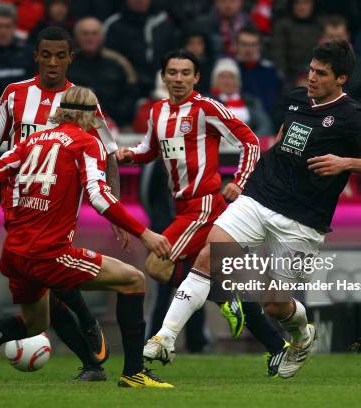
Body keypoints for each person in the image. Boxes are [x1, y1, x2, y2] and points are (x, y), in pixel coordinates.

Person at [143, 40, 361, 380]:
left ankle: (302, 337)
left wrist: (343, 162)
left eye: (321, 73)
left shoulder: (353, 117)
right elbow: (283, 137)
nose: (312, 78)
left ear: (341, 79)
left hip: (302, 220)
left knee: (275, 305)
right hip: (259, 197)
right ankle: (164, 338)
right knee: (208, 257)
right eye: (311, 70)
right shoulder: (294, 99)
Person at [0, 86, 173, 389]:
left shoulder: (30, 141)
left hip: (15, 254)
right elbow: (98, 195)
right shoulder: (86, 142)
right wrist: (144, 233)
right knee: (133, 280)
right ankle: (134, 372)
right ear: (91, 115)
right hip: (49, 253)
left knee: (34, 323)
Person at [117, 50, 288, 376]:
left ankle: (209, 311)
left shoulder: (205, 108)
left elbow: (250, 142)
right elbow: (151, 149)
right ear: (163, 77)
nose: (178, 79)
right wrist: (130, 156)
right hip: (182, 208)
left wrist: (239, 181)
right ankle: (276, 346)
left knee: (157, 263)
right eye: (173, 72)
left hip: (205, 206)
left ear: (196, 78)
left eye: (185, 73)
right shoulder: (157, 112)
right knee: (233, 282)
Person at [0, 26, 123, 381]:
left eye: (61, 56)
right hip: (16, 204)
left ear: (71, 58)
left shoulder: (81, 99)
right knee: (41, 281)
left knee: (44, 273)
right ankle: (91, 357)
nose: (53, 63)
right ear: (36, 56)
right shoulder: (14, 94)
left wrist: (115, 210)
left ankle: (88, 336)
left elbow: (110, 155)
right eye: (46, 55)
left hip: (58, 205)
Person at [68, 17, 139, 127]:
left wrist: (115, 117)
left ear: (102, 37)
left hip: (115, 126)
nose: (90, 38)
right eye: (85, 33)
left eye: (94, 33)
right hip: (72, 125)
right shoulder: (66, 65)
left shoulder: (117, 64)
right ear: (76, 37)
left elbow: (130, 94)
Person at [209, 57, 273, 135]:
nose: (227, 81)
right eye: (222, 77)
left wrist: (252, 140)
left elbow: (265, 125)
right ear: (216, 81)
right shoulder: (208, 102)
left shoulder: (250, 101)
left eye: (231, 77)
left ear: (237, 80)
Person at [271, 0, 322, 87]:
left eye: (306, 3)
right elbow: (278, 56)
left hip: (318, 74)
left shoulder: (320, 25)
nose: (301, 7)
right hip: (290, 76)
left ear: (312, 5)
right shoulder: (282, 26)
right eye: (297, 3)